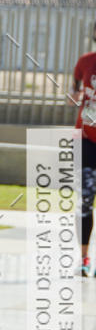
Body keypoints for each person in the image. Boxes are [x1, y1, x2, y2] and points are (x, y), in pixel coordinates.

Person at [71, 24, 96, 277]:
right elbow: (74, 89)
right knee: (86, 200)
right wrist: (74, 95)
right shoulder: (86, 61)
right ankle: (84, 258)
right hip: (87, 139)